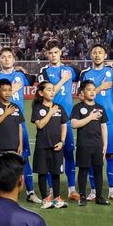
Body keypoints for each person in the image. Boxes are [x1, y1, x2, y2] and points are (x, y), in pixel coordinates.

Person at [0, 47, 41, 203]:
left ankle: (30, 192)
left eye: (9, 57)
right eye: (3, 57)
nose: (6, 59)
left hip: (19, 123)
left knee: (23, 158)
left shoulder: (19, 75)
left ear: (13, 59)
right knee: (0, 160)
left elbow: (34, 79)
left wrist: (23, 70)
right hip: (2, 125)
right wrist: (13, 91)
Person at [37, 39, 80, 201]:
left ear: (60, 53)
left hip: (66, 119)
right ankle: (50, 191)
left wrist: (111, 65)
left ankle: (71, 189)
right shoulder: (44, 72)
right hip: (50, 119)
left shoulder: (70, 70)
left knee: (69, 154)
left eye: (56, 52)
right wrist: (63, 80)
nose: (53, 55)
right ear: (47, 55)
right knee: (50, 155)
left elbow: (87, 73)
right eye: (50, 53)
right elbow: (49, 92)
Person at [79, 44, 113, 201]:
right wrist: (99, 88)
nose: (97, 55)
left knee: (110, 155)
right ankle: (93, 190)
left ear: (105, 55)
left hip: (109, 121)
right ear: (90, 55)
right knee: (91, 157)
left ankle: (111, 189)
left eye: (100, 52)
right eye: (94, 52)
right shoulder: (85, 74)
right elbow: (81, 97)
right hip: (90, 122)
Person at [70, 80, 110, 206]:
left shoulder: (100, 108)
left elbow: (104, 127)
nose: (92, 92)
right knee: (83, 170)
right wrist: (90, 117)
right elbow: (74, 124)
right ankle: (82, 196)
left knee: (98, 170)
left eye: (94, 89)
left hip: (98, 145)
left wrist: (105, 145)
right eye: (89, 89)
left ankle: (99, 196)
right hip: (84, 145)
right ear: (82, 92)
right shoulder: (78, 107)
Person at [31, 81, 69, 209]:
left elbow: (64, 125)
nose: (52, 92)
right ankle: (45, 199)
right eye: (48, 89)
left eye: (53, 89)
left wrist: (62, 141)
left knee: (55, 173)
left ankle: (57, 198)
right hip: (42, 146)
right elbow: (40, 125)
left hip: (57, 146)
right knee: (42, 172)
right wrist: (50, 112)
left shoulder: (59, 107)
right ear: (41, 93)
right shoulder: (37, 108)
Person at [0, 78, 25, 157]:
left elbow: (19, 126)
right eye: (4, 90)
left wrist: (20, 144)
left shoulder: (15, 107)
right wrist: (5, 114)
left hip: (14, 147)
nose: (8, 93)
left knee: (13, 169)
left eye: (10, 90)